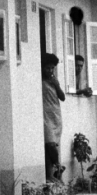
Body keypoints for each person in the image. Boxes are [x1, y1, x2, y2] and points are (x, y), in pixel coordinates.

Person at [42, 53, 66, 183]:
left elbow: (62, 97)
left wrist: (56, 85)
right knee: (50, 144)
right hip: (45, 115)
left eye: (52, 68)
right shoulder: (39, 80)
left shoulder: (54, 81)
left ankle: (51, 174)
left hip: (55, 114)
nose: (50, 71)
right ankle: (58, 166)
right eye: (48, 68)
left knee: (51, 145)